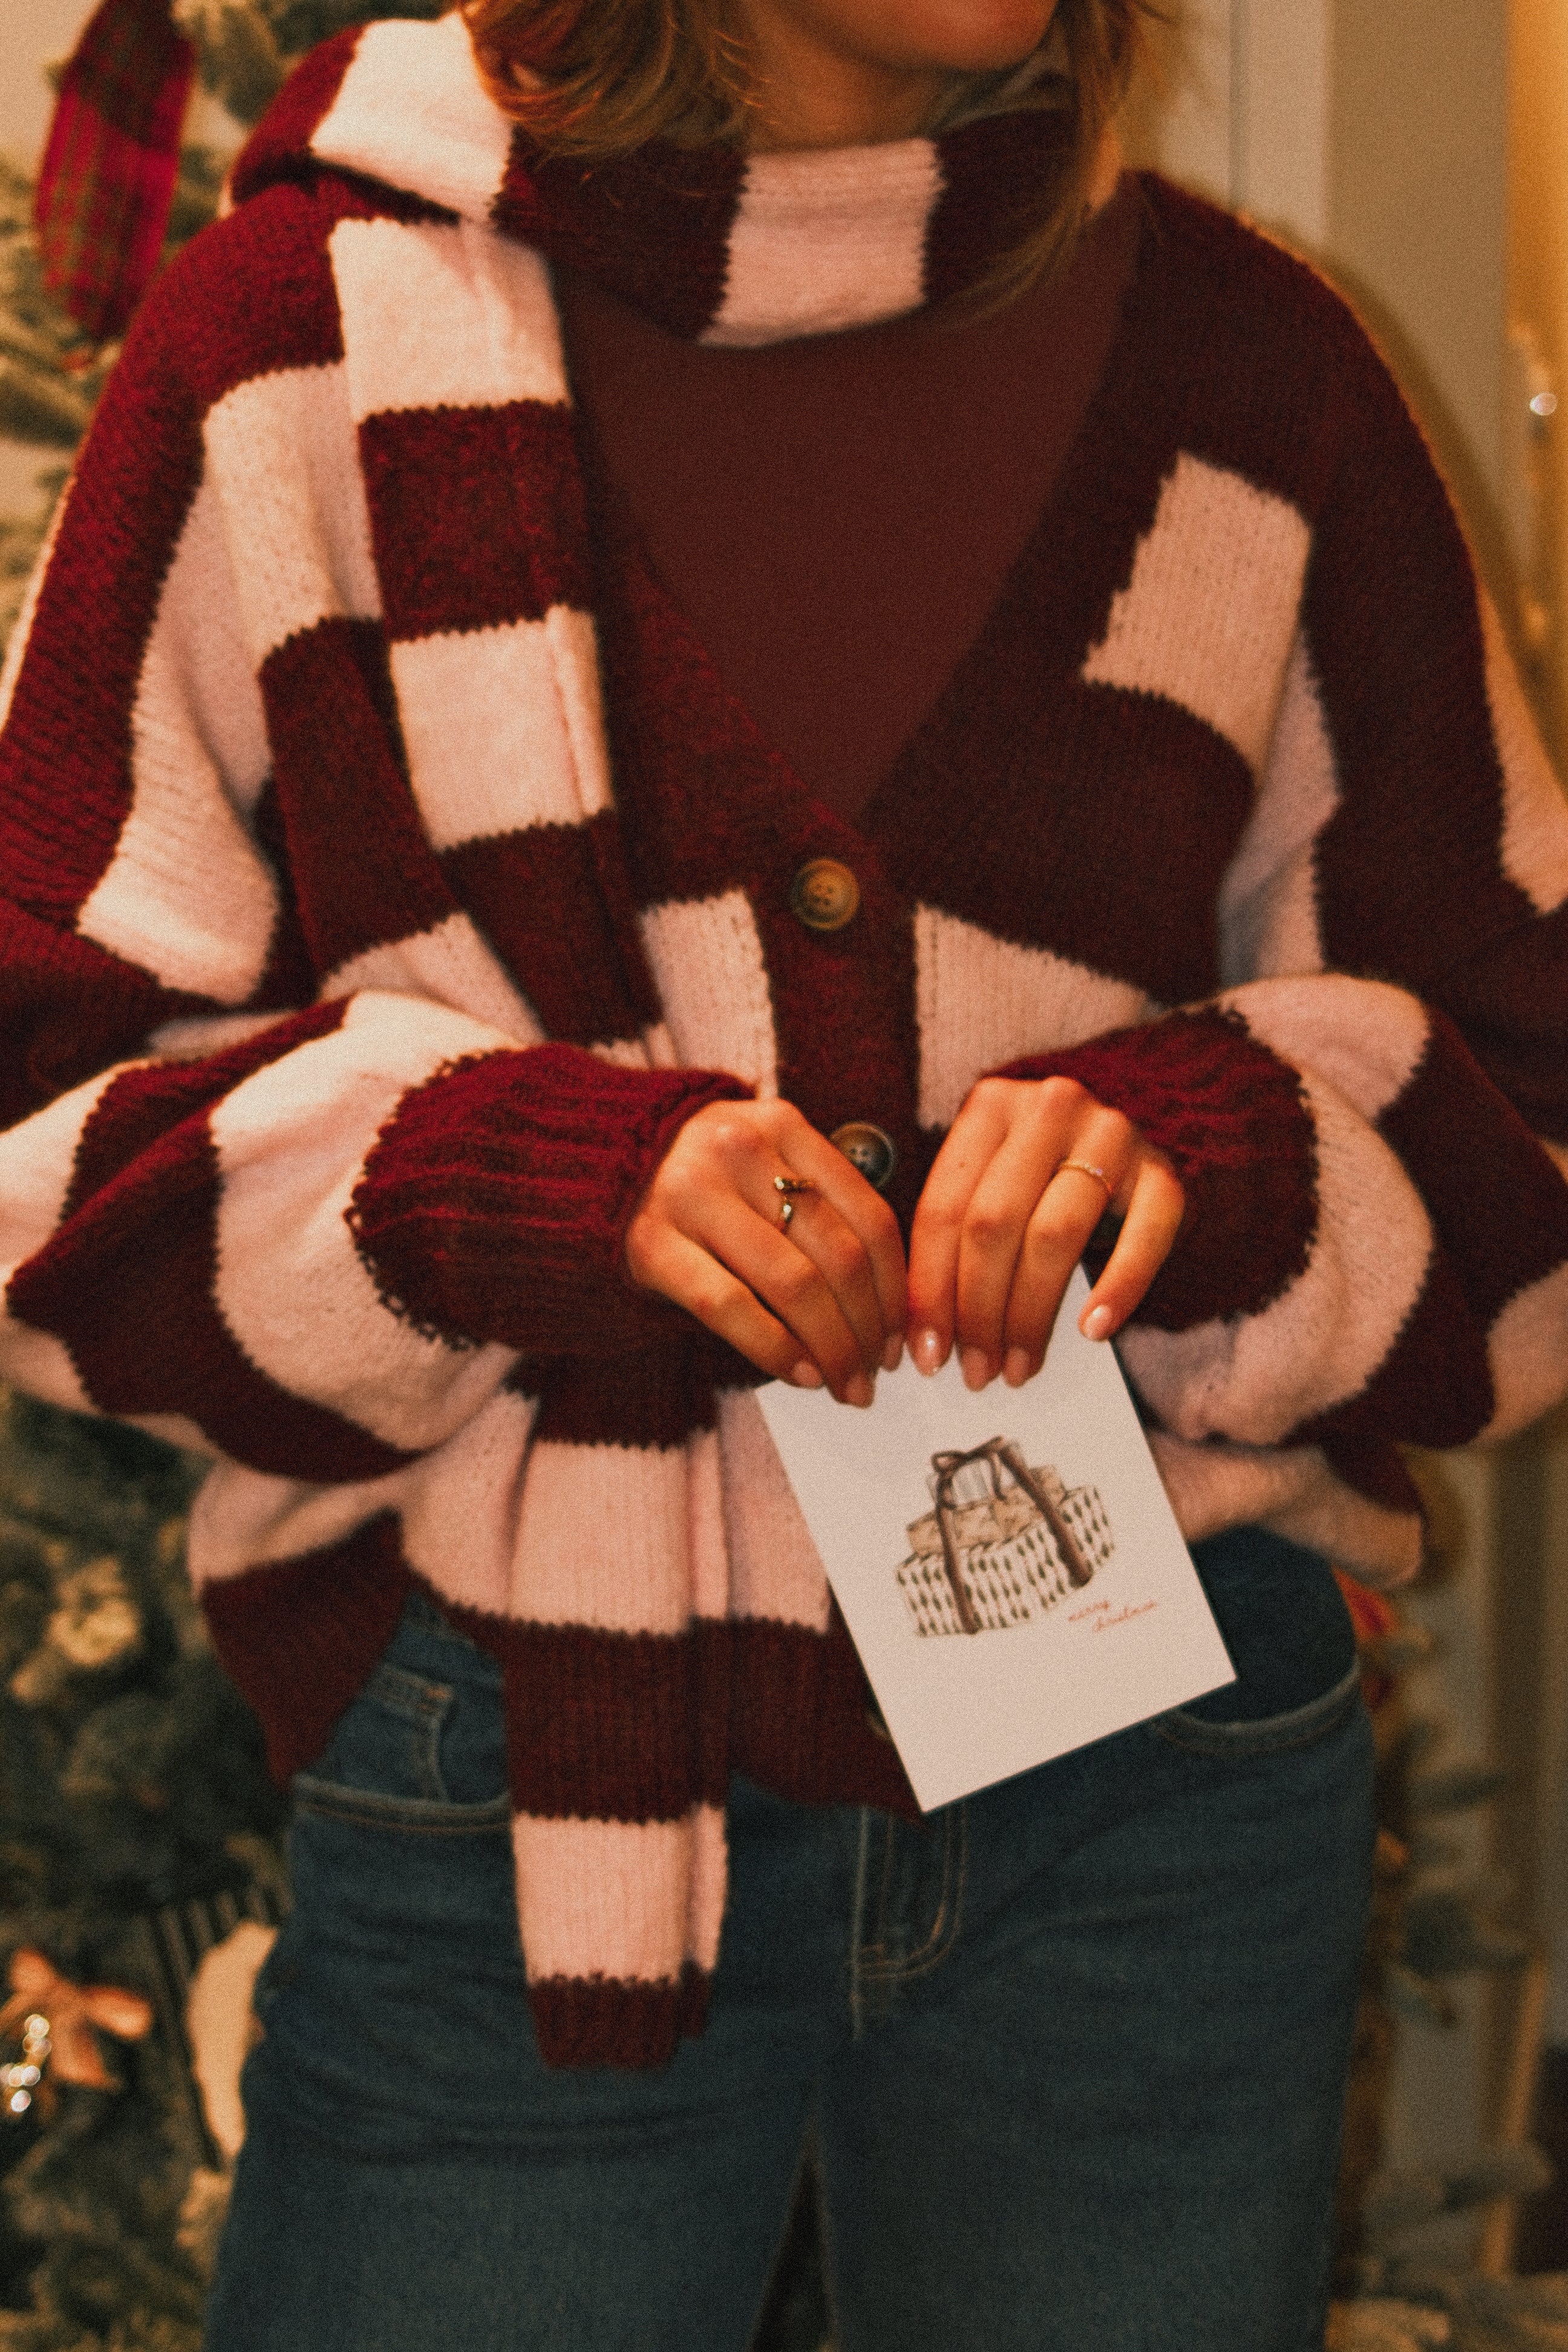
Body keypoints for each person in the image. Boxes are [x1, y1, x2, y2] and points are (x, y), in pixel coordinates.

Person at [1, 0, 1567, 2340]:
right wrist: (494, 1177)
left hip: (1153, 1792)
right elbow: (45, 1127)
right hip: (529, 1799)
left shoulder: (1261, 381)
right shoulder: (304, 349)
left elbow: (1524, 1127)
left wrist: (1217, 1149)